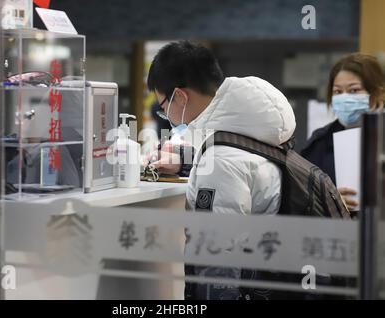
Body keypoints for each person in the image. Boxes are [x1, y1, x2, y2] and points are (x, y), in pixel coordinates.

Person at [147, 41, 296, 299]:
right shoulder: (258, 128)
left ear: (179, 97)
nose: (166, 116)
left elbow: (217, 267)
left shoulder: (220, 162)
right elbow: (244, 161)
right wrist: (185, 161)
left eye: (163, 108)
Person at [301, 53, 385, 212]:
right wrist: (329, 202)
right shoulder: (320, 142)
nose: (345, 98)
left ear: (378, 92)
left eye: (354, 90)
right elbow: (301, 196)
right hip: (337, 231)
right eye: (338, 92)